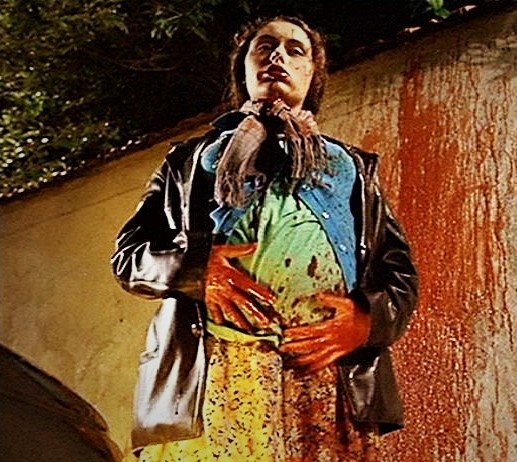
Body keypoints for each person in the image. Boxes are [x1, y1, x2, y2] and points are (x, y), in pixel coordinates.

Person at [111, 15, 418, 461]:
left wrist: (365, 321)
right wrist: (196, 270)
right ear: (244, 69)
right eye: (265, 46)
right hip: (216, 374)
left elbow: (400, 275)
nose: (278, 56)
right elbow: (128, 256)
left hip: (324, 376)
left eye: (296, 50)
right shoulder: (190, 163)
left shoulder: (350, 168)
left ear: (312, 74)